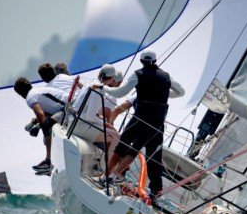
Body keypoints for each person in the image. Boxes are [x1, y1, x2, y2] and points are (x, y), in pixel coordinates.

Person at [101, 48, 185, 199]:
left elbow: (120, 93)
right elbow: (181, 92)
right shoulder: (166, 77)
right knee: (150, 156)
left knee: (123, 146)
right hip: (157, 124)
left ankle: (105, 176)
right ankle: (155, 193)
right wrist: (165, 94)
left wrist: (103, 88)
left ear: (141, 61)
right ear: (156, 61)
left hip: (140, 118)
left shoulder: (138, 74)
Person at [14, 77, 68, 174]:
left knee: (47, 128)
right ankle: (51, 161)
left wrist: (40, 129)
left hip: (68, 108)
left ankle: (48, 162)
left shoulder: (30, 97)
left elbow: (40, 115)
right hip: (68, 106)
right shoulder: (37, 91)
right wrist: (36, 125)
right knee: (46, 135)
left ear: (20, 93)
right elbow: (48, 110)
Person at [70, 64, 120, 157]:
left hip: (73, 120)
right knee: (116, 137)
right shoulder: (100, 90)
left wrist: (102, 121)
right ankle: (108, 168)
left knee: (110, 131)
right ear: (111, 79)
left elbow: (89, 111)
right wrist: (105, 123)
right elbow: (90, 116)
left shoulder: (91, 82)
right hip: (79, 125)